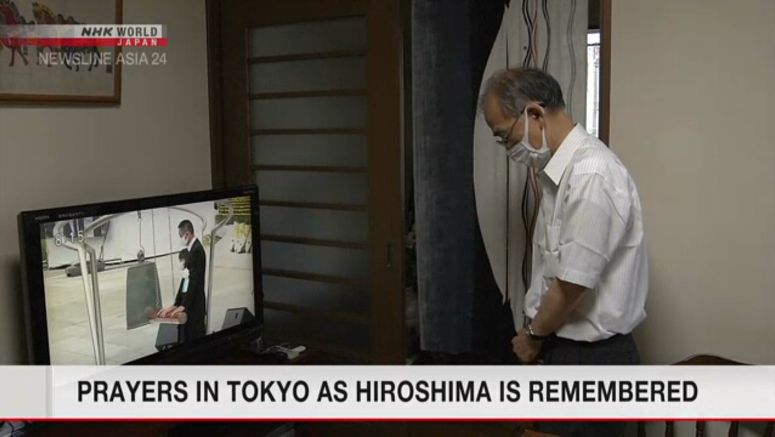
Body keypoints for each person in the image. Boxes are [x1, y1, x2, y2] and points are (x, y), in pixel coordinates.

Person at [481, 68, 648, 436]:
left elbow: (571, 285)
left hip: (591, 360)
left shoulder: (591, 174)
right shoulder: (560, 174)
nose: (508, 149)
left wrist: (532, 338)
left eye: (504, 137)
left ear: (535, 115)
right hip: (563, 350)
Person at [157, 220, 207, 343]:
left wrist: (183, 305)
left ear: (187, 234)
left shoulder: (197, 251)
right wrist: (176, 304)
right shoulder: (190, 251)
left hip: (194, 306)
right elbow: (185, 281)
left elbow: (194, 282)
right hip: (188, 302)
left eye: (181, 236)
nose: (180, 239)